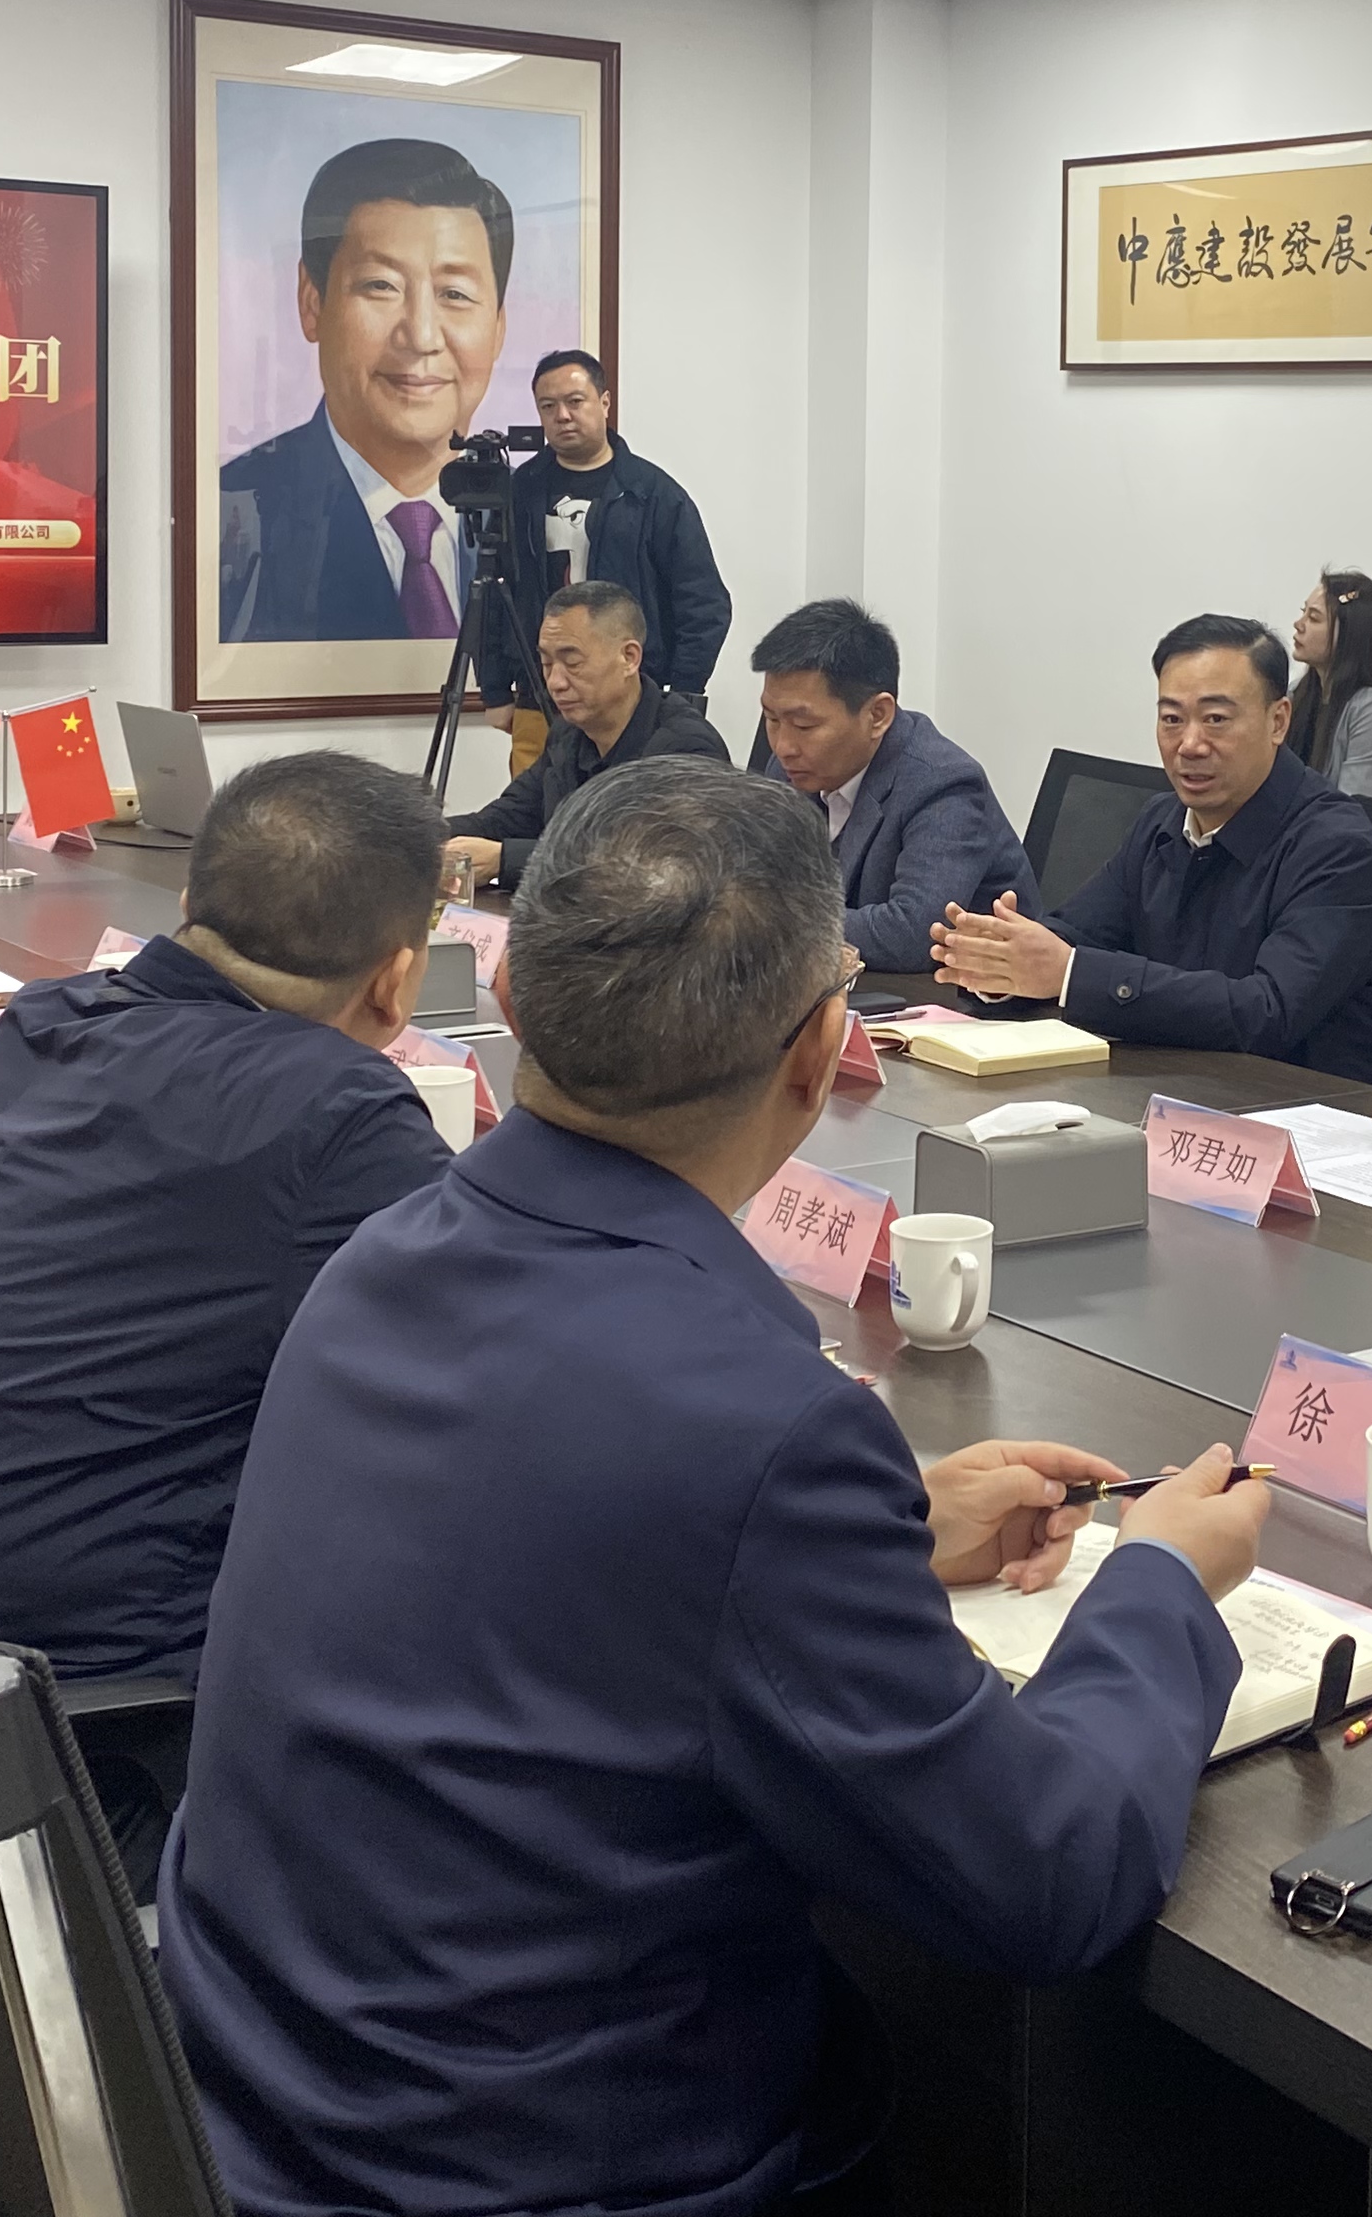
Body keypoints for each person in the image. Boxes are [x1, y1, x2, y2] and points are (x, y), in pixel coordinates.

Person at [157, 759, 1271, 2217]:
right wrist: (1161, 1583)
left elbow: (555, 1552)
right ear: (822, 1053)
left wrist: (885, 1537)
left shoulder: (376, 1262)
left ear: (511, 999)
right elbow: (1047, 1880)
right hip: (516, 2168)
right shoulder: (765, 1428)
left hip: (245, 2102)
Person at [0, 753, 454, 1709]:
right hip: (39, 1699)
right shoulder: (339, 1111)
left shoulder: (51, 1019)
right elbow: (488, 1350)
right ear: (397, 982)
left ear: (189, 905)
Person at [932, 615, 1372, 1085]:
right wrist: (1003, 963)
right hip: (1178, 1089)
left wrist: (1069, 974)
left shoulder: (1335, 845)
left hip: (1315, 1107)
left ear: (1278, 721)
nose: (1190, 744)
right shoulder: (1161, 821)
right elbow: (1079, 935)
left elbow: (1269, 1012)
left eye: (1216, 719)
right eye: (1171, 719)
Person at [216, 138, 514, 645]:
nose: (421, 336)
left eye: (455, 294)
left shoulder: (524, 514)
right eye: (381, 286)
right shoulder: (234, 513)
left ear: (499, 327)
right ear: (312, 302)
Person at [747, 597, 1033, 973]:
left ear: (877, 715)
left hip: (952, 998)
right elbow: (747, 878)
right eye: (771, 719)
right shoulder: (790, 766)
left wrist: (763, 920)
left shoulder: (943, 784)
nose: (783, 746)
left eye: (804, 725)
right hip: (831, 980)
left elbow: (911, 934)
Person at [439, 580, 725, 895]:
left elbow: (643, 865)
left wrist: (503, 859)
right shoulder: (568, 734)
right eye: (547, 663)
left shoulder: (687, 749)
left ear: (629, 658)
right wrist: (422, 836)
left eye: (572, 663)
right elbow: (506, 818)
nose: (555, 682)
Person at [510, 347, 731, 709]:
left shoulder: (652, 493)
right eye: (548, 406)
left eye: (575, 401)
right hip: (542, 693)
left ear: (605, 402)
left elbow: (704, 602)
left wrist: (684, 691)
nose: (562, 415)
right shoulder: (521, 490)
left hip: (634, 694)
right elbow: (498, 592)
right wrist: (496, 691)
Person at [1291, 569, 1372, 802]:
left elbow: (1349, 809)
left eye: (1314, 618)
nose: (1298, 625)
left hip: (1348, 824)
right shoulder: (1295, 693)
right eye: (1303, 612)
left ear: (1349, 633)